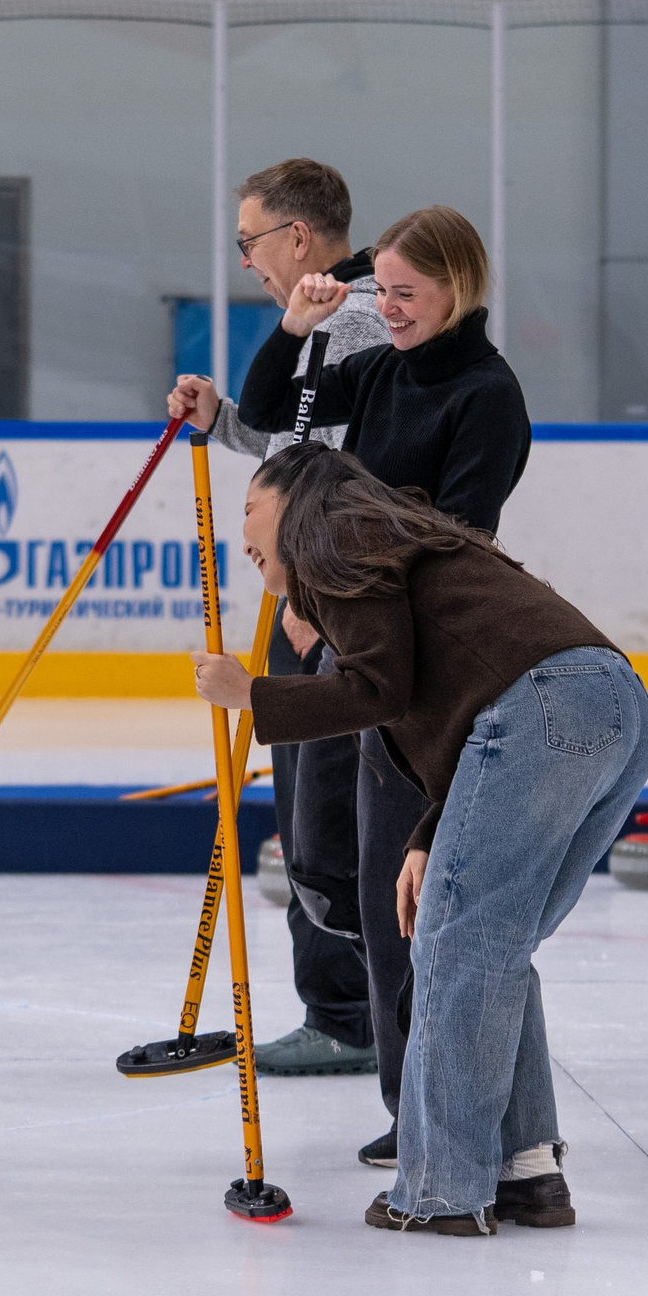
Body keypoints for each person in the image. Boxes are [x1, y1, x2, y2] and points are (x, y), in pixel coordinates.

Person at [190, 442, 648, 1235]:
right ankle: (527, 1171)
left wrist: (254, 696)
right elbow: (463, 690)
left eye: (247, 510)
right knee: (492, 941)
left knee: (458, 946)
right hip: (612, 711)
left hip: (541, 711)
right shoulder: (392, 535)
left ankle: (442, 1189)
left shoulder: (332, 530)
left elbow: (377, 689)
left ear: (297, 498)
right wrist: (427, 836)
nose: (241, 536)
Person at [169, 204, 531, 1167]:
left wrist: (336, 602)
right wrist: (296, 324)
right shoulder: (372, 369)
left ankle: (436, 1107)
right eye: (385, 295)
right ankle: (404, 1080)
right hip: (354, 643)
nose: (393, 310)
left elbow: (456, 544)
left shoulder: (488, 396)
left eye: (409, 295)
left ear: (461, 290)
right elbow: (276, 427)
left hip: (426, 668)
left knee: (410, 899)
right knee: (352, 881)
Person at [208, 158, 386, 1080]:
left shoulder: (355, 319)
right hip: (310, 596)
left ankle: (350, 1013)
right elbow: (298, 433)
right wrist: (225, 421)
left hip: (328, 603)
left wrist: (315, 591)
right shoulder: (330, 320)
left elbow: (350, 463)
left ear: (299, 238)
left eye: (251, 241)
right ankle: (348, 1009)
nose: (247, 260)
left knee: (322, 813)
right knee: (311, 810)